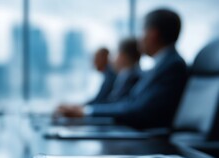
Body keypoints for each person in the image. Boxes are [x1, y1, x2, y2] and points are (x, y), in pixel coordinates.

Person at [58, 9, 188, 129]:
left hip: (152, 140)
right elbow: (129, 103)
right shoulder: (162, 65)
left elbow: (140, 110)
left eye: (142, 31)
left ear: (153, 34)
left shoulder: (172, 66)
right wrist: (84, 110)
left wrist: (86, 111)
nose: (140, 38)